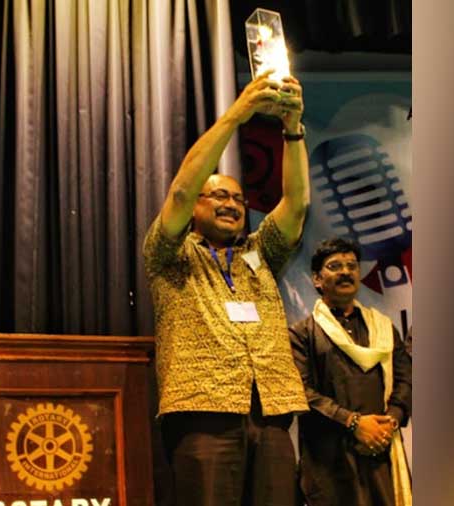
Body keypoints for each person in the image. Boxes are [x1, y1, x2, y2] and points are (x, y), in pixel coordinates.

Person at [143, 72, 310, 506]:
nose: (230, 204)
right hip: (204, 412)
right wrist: (238, 115)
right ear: (195, 208)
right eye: (216, 195)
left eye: (237, 199)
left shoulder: (261, 252)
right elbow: (180, 191)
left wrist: (292, 128)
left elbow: (297, 205)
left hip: (271, 410)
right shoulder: (169, 254)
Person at [288, 238, 412, 505]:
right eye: (335, 266)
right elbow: (302, 392)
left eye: (352, 266)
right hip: (330, 459)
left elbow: (405, 379)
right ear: (317, 280)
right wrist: (354, 423)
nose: (345, 272)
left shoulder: (383, 328)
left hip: (382, 451)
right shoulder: (302, 334)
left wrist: (389, 422)